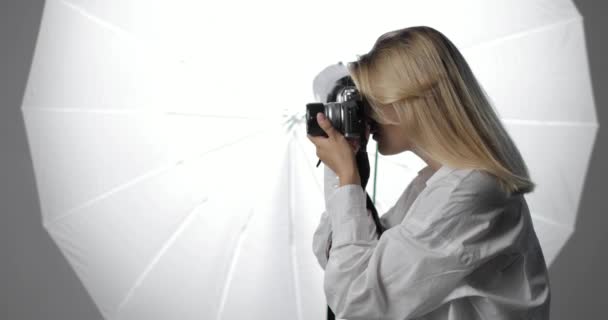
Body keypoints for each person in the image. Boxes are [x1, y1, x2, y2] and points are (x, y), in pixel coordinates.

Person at [307, 26, 551, 320]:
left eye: (371, 101)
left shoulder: (470, 191)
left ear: (406, 102)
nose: (365, 116)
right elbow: (338, 259)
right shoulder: (432, 185)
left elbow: (357, 301)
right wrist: (347, 174)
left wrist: (347, 179)